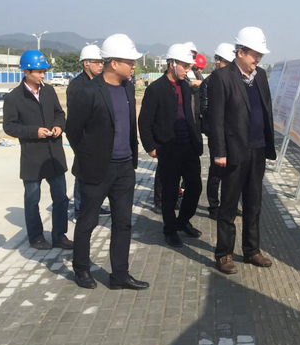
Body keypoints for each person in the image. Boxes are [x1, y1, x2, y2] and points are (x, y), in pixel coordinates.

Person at [65, 34, 149, 291]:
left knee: (123, 222)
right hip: (96, 169)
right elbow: (73, 131)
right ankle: (81, 269)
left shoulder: (128, 88)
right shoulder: (88, 91)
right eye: (129, 62)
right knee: (87, 221)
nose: (133, 66)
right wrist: (89, 156)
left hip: (124, 168)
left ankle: (119, 275)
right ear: (114, 63)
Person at [208, 27, 276, 274]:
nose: (258, 59)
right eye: (254, 54)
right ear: (240, 52)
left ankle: (252, 250)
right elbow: (216, 118)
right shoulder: (222, 77)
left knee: (254, 203)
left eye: (260, 55)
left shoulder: (261, 76)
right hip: (234, 151)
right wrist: (219, 152)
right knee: (228, 205)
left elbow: (266, 110)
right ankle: (224, 254)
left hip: (258, 149)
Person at [3, 49, 72, 251]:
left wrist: (59, 126)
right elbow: (9, 126)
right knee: (32, 199)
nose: (43, 75)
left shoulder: (49, 91)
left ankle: (59, 235)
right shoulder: (14, 98)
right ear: (26, 72)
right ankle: (36, 237)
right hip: (33, 156)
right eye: (39, 71)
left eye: (44, 71)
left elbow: (59, 113)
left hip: (53, 155)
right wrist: (34, 132)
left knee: (61, 198)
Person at [138, 43, 204, 248]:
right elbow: (144, 121)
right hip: (168, 147)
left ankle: (183, 221)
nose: (187, 70)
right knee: (169, 192)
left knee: (195, 187)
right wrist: (150, 146)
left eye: (189, 66)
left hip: (188, 146)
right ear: (172, 64)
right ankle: (170, 229)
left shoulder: (185, 86)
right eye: (185, 66)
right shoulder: (156, 89)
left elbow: (190, 115)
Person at [66, 44, 110, 220]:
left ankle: (95, 206)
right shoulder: (77, 86)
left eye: (102, 62)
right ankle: (79, 210)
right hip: (84, 138)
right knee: (82, 174)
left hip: (99, 137)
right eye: (97, 62)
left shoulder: (101, 83)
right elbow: (75, 120)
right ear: (86, 64)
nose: (100, 65)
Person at [199, 43, 236, 219]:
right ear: (217, 61)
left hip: (232, 135)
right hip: (216, 134)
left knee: (232, 173)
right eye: (225, 62)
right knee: (216, 172)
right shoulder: (209, 82)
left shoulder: (235, 81)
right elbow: (205, 109)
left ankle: (229, 205)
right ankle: (214, 207)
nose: (227, 66)